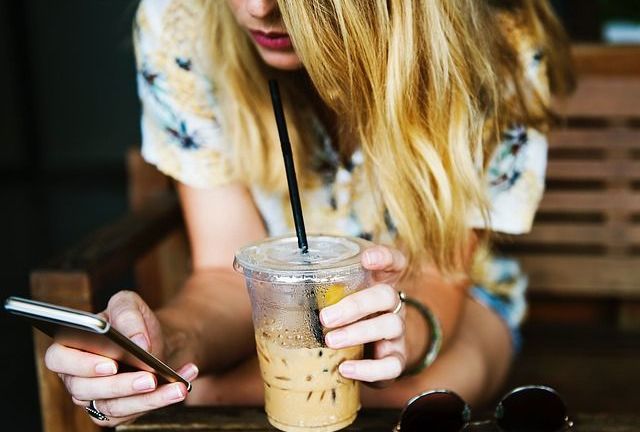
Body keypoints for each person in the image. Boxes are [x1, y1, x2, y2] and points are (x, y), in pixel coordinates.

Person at [44, 0, 574, 426]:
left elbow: (441, 275)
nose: (256, 8)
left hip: (450, 297)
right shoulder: (181, 24)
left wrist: (401, 335)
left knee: (420, 392)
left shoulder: (500, 40)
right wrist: (164, 345)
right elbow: (223, 280)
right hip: (277, 312)